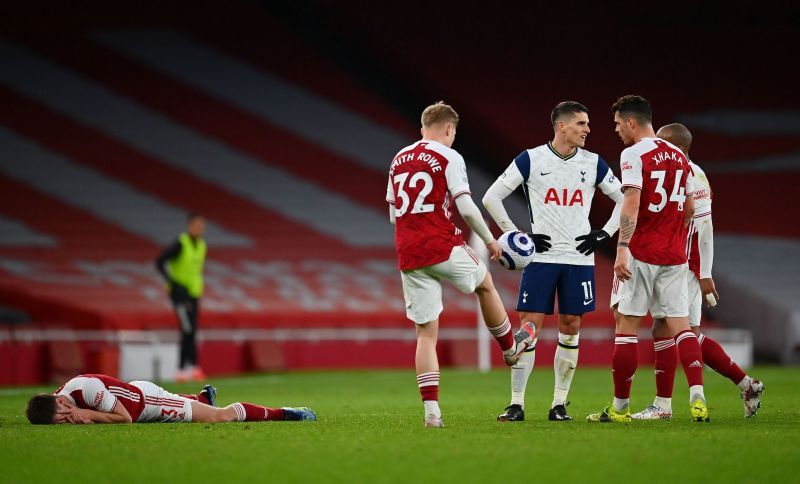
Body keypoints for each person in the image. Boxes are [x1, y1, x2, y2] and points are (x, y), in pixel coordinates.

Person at [387, 101, 535, 428]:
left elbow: (394, 212)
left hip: (408, 250)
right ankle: (511, 349)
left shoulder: (399, 158)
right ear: (449, 129)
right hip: (442, 243)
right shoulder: (449, 156)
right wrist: (490, 239)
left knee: (425, 334)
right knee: (485, 286)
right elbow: (466, 205)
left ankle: (432, 416)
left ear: (422, 127)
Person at [482, 101, 624, 422]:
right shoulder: (531, 158)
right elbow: (491, 196)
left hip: (579, 259)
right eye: (581, 124)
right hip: (541, 258)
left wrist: (604, 233)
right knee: (528, 328)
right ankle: (516, 403)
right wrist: (518, 236)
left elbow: (625, 199)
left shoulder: (593, 163)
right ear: (561, 126)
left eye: (587, 124)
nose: (588, 129)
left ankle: (559, 404)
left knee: (571, 328)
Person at [587, 95, 708, 423]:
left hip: (641, 251)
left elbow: (632, 201)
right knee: (680, 327)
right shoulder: (681, 158)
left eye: (616, 123)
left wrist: (622, 247)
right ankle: (697, 398)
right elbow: (690, 209)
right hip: (674, 255)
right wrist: (672, 237)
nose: (615, 130)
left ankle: (620, 408)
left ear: (631, 122)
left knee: (626, 326)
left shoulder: (633, 153)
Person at [630, 123, 764, 420]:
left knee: (669, 328)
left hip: (684, 264)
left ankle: (663, 406)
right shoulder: (680, 171)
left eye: (663, 143)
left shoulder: (694, 175)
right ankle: (747, 384)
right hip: (675, 259)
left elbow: (705, 229)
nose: (657, 148)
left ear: (679, 147)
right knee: (686, 333)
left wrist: (704, 273)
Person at [25, 373, 317, 424]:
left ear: (63, 404)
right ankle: (201, 397)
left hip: (147, 403)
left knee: (220, 416)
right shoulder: (54, 401)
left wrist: (91, 415)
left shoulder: (85, 390)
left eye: (64, 417)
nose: (67, 422)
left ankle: (286, 412)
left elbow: (125, 418)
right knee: (200, 405)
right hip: (134, 392)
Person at [156, 213, 207, 382]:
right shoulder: (181, 243)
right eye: (197, 225)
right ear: (189, 226)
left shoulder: (201, 245)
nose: (199, 229)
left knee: (191, 329)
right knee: (187, 329)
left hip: (193, 293)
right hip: (179, 294)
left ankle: (190, 368)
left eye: (202, 226)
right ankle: (184, 369)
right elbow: (160, 261)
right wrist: (173, 283)